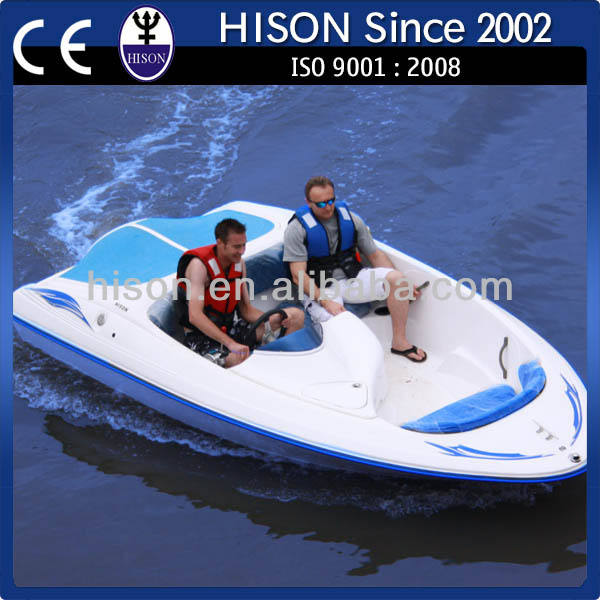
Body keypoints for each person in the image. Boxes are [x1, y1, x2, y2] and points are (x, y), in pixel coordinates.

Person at [283, 176, 427, 363]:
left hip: (352, 279)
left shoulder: (351, 220)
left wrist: (403, 287)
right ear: (308, 203)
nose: (328, 207)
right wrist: (326, 302)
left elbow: (375, 255)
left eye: (331, 201)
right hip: (321, 288)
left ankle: (399, 342)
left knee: (398, 280)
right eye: (321, 204)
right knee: (338, 320)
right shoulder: (296, 229)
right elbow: (298, 275)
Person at [177, 218, 304, 368]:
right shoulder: (199, 267)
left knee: (295, 316)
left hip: (230, 328)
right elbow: (195, 316)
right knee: (237, 358)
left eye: (244, 245)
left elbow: (246, 310)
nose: (242, 251)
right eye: (237, 247)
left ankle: (277, 365)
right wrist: (231, 344)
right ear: (220, 243)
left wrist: (278, 317)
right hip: (201, 336)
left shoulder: (239, 264)